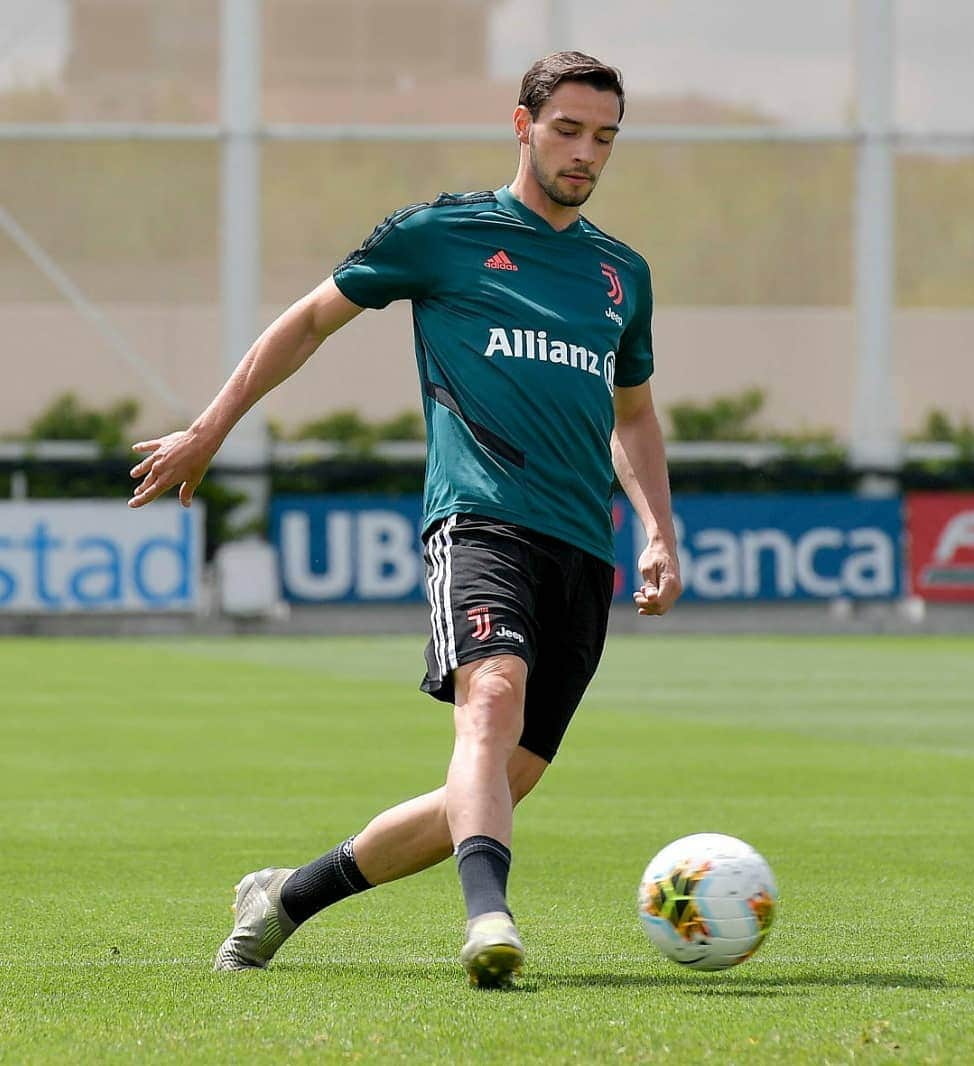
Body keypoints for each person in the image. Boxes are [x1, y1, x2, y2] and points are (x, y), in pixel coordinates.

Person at [128, 51, 682, 988]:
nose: (586, 153)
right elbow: (309, 319)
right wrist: (209, 430)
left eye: (604, 138)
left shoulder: (620, 274)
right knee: (490, 703)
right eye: (568, 131)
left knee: (498, 786)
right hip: (478, 521)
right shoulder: (447, 232)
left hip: (585, 551)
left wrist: (659, 529)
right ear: (523, 125)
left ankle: (287, 897)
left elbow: (633, 413)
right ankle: (489, 919)